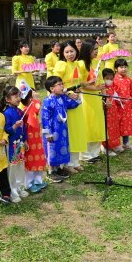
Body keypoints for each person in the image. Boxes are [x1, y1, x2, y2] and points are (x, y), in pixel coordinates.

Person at [53, 41, 87, 173]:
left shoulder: (78, 64)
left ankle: (75, 160)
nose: (69, 54)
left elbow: (80, 82)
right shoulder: (61, 65)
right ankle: (67, 162)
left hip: (77, 99)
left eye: (72, 51)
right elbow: (55, 84)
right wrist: (67, 92)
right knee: (69, 131)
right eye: (66, 52)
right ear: (62, 53)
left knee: (77, 129)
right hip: (65, 101)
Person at [41, 76, 81, 181]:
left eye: (62, 84)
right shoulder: (47, 101)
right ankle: (50, 171)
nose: (62, 86)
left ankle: (59, 168)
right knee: (52, 149)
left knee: (61, 148)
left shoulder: (62, 98)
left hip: (62, 130)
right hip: (53, 130)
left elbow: (72, 104)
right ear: (52, 88)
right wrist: (47, 133)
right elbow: (45, 117)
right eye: (59, 84)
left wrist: (77, 96)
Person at [78, 42, 106, 164]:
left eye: (97, 49)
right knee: (87, 124)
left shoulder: (97, 62)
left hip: (96, 97)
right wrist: (94, 88)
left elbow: (99, 80)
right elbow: (80, 83)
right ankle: (84, 154)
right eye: (94, 49)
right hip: (86, 98)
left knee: (96, 123)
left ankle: (94, 152)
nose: (96, 51)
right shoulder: (81, 64)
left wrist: (101, 89)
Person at [1, 86, 29, 203]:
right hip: (12, 145)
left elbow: (24, 128)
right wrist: (15, 126)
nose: (18, 98)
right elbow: (6, 130)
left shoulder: (19, 111)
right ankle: (12, 190)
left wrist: (26, 140)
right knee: (12, 168)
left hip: (20, 143)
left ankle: (20, 186)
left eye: (19, 96)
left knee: (20, 166)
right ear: (7, 99)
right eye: (15, 96)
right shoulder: (6, 113)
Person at [109, 59, 132, 152]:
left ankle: (126, 143)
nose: (124, 69)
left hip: (127, 107)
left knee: (126, 125)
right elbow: (111, 92)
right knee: (116, 125)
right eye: (121, 67)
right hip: (116, 107)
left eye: (125, 67)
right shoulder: (113, 79)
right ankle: (116, 144)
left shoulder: (129, 80)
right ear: (115, 68)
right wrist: (118, 100)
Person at [21, 88, 48, 191]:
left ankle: (38, 180)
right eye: (33, 93)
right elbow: (37, 106)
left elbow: (37, 107)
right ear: (29, 99)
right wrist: (25, 140)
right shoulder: (26, 111)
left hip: (37, 140)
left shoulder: (32, 109)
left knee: (39, 160)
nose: (37, 93)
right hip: (30, 141)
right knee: (30, 162)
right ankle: (29, 183)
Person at [101, 68, 121, 156]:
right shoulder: (101, 88)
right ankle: (106, 148)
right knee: (107, 130)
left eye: (111, 79)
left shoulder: (113, 87)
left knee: (114, 129)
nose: (109, 81)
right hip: (106, 112)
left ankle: (114, 145)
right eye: (107, 78)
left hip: (113, 112)